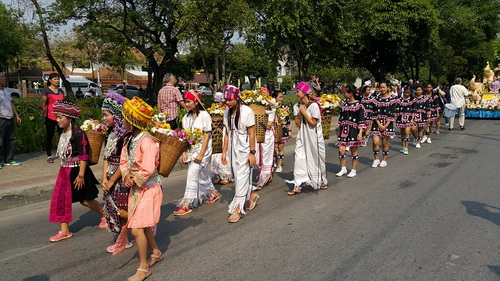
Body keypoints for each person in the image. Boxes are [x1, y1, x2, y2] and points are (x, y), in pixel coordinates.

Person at [113, 97, 163, 281]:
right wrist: (126, 175)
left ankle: (143, 267)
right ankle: (156, 252)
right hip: (137, 189)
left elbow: (149, 168)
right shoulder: (130, 139)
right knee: (143, 225)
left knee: (136, 229)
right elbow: (124, 161)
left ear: (133, 120)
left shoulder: (147, 141)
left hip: (148, 188)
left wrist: (136, 178)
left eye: (126, 118)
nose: (123, 120)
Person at [48, 100, 105, 242]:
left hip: (78, 171)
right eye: (57, 117)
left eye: (61, 117)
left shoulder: (79, 133)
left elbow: (84, 155)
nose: (58, 120)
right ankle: (64, 231)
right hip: (64, 170)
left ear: (70, 118)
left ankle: (104, 215)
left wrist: (81, 175)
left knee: (85, 200)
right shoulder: (63, 132)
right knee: (60, 199)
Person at [174, 90, 219, 216]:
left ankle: (187, 204)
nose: (186, 104)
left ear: (195, 102)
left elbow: (206, 136)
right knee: (201, 173)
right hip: (190, 151)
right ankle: (213, 193)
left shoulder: (204, 115)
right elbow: (184, 138)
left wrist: (201, 154)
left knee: (193, 173)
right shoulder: (185, 118)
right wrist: (183, 153)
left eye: (188, 101)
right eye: (185, 102)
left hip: (203, 151)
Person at [221, 85, 260, 223]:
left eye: (229, 99)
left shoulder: (247, 111)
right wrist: (224, 152)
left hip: (245, 150)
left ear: (237, 99)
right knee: (237, 177)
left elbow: (251, 133)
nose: (227, 102)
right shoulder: (226, 113)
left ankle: (237, 209)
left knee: (242, 177)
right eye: (225, 99)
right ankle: (252, 194)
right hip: (233, 150)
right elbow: (226, 134)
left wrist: (252, 153)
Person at [99, 92, 133, 253]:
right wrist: (104, 177)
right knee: (113, 209)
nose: (104, 118)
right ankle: (123, 240)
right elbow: (106, 157)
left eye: (106, 115)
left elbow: (124, 161)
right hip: (110, 175)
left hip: (120, 177)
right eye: (103, 115)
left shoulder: (125, 136)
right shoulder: (109, 134)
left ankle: (140, 226)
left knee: (122, 210)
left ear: (117, 115)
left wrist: (112, 180)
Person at [287, 81, 328, 195]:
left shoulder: (314, 105)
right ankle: (298, 184)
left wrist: (304, 112)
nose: (296, 94)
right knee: (299, 157)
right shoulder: (296, 106)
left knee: (316, 157)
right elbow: (298, 123)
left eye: (298, 91)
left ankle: (321, 180)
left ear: (305, 92)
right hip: (302, 135)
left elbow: (313, 123)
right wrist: (300, 112)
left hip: (313, 135)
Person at [335, 85, 366, 178]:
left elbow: (361, 120)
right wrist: (339, 130)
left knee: (353, 150)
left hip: (354, 130)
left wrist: (360, 133)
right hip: (344, 129)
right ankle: (343, 168)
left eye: (345, 93)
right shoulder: (344, 104)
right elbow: (341, 117)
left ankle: (353, 170)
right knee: (341, 150)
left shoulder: (359, 105)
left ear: (351, 93)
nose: (344, 95)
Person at [40, 73, 65, 163]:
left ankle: (62, 153)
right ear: (50, 80)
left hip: (61, 117)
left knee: (62, 135)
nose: (57, 81)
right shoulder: (46, 91)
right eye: (55, 79)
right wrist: (45, 115)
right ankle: (49, 155)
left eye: (58, 79)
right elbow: (43, 105)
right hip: (50, 116)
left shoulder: (61, 91)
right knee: (49, 135)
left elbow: (63, 104)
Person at [254, 88, 276, 191]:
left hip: (267, 135)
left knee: (265, 157)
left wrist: (260, 121)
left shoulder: (270, 107)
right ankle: (267, 174)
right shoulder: (256, 107)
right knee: (258, 158)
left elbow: (269, 124)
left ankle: (262, 180)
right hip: (257, 134)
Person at [371, 82, 396, 168]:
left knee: (384, 143)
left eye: (384, 87)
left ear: (387, 88)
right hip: (376, 123)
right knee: (375, 142)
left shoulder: (392, 100)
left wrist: (385, 126)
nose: (382, 89)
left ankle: (384, 160)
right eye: (381, 87)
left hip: (387, 124)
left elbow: (392, 114)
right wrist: (379, 124)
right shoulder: (375, 100)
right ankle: (376, 159)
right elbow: (374, 113)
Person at [0, 72, 22, 168]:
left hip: (9, 118)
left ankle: (8, 159)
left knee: (11, 139)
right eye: (2, 76)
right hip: (1, 119)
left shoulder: (6, 90)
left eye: (5, 76)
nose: (4, 78)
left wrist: (16, 116)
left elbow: (11, 104)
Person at [211, 92, 232, 185]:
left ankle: (226, 176)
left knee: (224, 153)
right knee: (216, 155)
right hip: (216, 134)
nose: (218, 104)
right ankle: (219, 175)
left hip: (224, 132)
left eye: (219, 102)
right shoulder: (213, 109)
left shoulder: (227, 110)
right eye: (216, 102)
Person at [273, 90, 292, 173]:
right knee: (272, 148)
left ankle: (279, 165)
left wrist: (289, 130)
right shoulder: (270, 107)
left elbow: (287, 119)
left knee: (280, 147)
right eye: (279, 97)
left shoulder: (284, 107)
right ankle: (274, 160)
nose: (281, 98)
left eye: (282, 97)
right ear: (275, 98)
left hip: (282, 128)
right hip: (272, 129)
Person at [394, 88, 416, 155]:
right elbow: (396, 109)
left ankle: (406, 147)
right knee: (402, 133)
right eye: (406, 93)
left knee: (407, 133)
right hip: (401, 118)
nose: (407, 94)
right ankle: (403, 146)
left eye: (408, 93)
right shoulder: (399, 100)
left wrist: (412, 118)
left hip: (409, 118)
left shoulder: (412, 100)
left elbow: (414, 110)